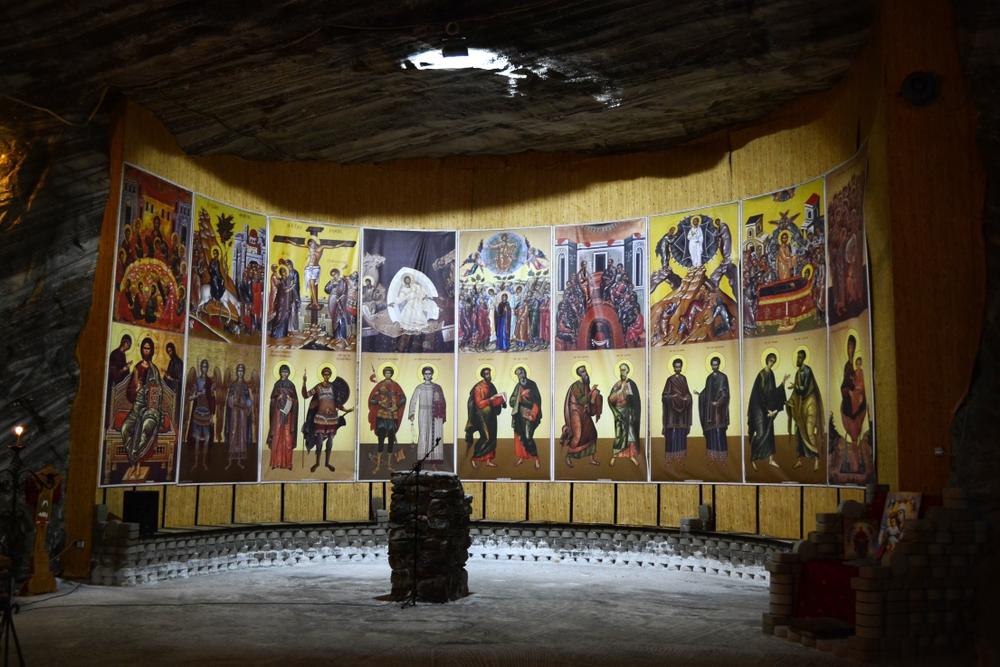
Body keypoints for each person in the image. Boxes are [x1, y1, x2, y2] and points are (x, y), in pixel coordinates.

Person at [119, 337, 165, 479]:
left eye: (148, 349)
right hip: (136, 408)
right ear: (141, 350)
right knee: (125, 429)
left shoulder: (154, 370)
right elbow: (129, 393)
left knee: (144, 427)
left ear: (152, 351)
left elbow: (159, 393)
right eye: (144, 348)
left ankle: (136, 465)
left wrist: (148, 391)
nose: (146, 351)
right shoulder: (137, 368)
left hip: (150, 409)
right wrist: (136, 389)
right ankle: (134, 460)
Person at [301, 367, 352, 473]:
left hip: (332, 418)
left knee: (330, 441)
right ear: (322, 375)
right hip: (320, 417)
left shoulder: (333, 387)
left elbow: (337, 403)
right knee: (319, 441)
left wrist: (346, 410)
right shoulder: (318, 387)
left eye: (328, 374)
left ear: (330, 375)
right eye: (325, 374)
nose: (326, 376)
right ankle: (317, 463)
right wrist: (304, 382)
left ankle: (327, 463)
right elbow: (305, 395)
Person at [748, 352, 789, 471]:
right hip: (759, 409)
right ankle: (753, 458)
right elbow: (759, 395)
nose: (772, 363)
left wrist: (783, 382)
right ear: (767, 360)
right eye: (771, 361)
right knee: (760, 434)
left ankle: (771, 459)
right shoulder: (761, 375)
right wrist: (767, 410)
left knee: (770, 434)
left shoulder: (771, 374)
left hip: (769, 408)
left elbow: (773, 393)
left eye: (774, 362)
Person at [786, 349, 823, 471]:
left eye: (800, 357)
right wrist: (790, 401)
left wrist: (796, 387)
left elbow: (804, 388)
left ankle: (817, 459)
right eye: (797, 357)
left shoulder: (807, 370)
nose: (798, 359)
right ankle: (799, 460)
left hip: (810, 403)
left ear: (803, 358)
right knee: (798, 430)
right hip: (801, 404)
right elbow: (796, 393)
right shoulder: (797, 373)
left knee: (809, 430)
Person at [559, 365, 602, 467]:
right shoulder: (575, 386)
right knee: (578, 436)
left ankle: (592, 459)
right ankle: (568, 456)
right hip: (576, 412)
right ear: (579, 374)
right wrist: (592, 392)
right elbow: (581, 400)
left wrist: (594, 395)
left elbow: (588, 400)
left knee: (592, 433)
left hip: (584, 411)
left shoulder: (586, 384)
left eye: (585, 371)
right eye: (582, 372)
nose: (585, 373)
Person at [367, 366, 407, 473]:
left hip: (392, 416)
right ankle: (378, 466)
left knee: (391, 441)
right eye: (386, 373)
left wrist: (396, 407)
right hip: (381, 416)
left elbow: (403, 398)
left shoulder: (396, 385)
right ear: (384, 374)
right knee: (380, 440)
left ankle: (389, 465)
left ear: (391, 374)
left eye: (389, 373)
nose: (387, 374)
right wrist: (379, 402)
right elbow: (372, 400)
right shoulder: (380, 385)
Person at [465, 367, 507, 468]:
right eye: (487, 374)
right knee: (486, 438)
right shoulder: (478, 387)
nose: (489, 376)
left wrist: (502, 402)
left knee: (492, 438)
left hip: (491, 415)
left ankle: (488, 460)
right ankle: (474, 458)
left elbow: (495, 398)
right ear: (483, 375)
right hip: (482, 417)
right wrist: (491, 399)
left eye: (489, 373)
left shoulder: (491, 385)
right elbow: (479, 404)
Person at [408, 366, 447, 466]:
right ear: (423, 375)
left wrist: (440, 409)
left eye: (429, 374)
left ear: (432, 374)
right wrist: (412, 413)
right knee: (423, 434)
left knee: (436, 435)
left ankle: (435, 459)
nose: (428, 375)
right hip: (423, 413)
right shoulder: (419, 387)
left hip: (436, 413)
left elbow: (443, 402)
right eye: (426, 374)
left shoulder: (437, 387)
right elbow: (413, 401)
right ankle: (422, 458)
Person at [696, 356, 730, 466]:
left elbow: (725, 394)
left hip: (719, 412)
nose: (714, 366)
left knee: (719, 432)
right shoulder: (709, 378)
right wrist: (700, 395)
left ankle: (722, 458)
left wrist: (718, 402)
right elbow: (707, 392)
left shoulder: (723, 377)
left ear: (719, 365)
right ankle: (712, 457)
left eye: (716, 364)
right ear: (711, 365)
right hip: (710, 412)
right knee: (711, 433)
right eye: (713, 364)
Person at [265, 365, 298, 470]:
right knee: (277, 436)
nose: (284, 374)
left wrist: (292, 400)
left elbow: (296, 400)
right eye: (283, 372)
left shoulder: (291, 385)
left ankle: (288, 463)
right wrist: (277, 399)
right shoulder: (277, 384)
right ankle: (275, 463)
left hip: (288, 414)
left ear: (289, 373)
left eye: (286, 372)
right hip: (278, 413)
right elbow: (272, 399)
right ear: (280, 372)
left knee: (288, 438)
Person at [608, 363, 641, 467]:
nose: (622, 372)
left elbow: (634, 400)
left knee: (630, 435)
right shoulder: (617, 385)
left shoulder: (631, 384)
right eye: (621, 370)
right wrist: (620, 391)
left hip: (628, 412)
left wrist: (632, 412)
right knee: (619, 434)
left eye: (624, 370)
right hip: (619, 413)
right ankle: (615, 455)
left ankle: (631, 455)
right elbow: (610, 399)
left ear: (627, 371)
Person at [224, 363, 255, 471]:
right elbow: (229, 400)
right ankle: (230, 461)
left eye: (242, 371)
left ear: (244, 372)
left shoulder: (246, 386)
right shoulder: (233, 385)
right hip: (234, 413)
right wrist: (232, 400)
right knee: (233, 433)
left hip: (242, 414)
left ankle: (239, 461)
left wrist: (248, 404)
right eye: (238, 371)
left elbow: (249, 400)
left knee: (241, 434)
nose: (240, 373)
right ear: (236, 372)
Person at [185, 359, 215, 471]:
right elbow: (189, 398)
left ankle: (204, 463)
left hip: (207, 414)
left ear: (207, 368)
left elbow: (213, 399)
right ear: (201, 368)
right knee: (197, 439)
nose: (204, 368)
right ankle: (196, 463)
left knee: (207, 439)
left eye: (206, 367)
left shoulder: (210, 382)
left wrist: (212, 415)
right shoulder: (197, 381)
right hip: (198, 413)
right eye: (203, 366)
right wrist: (197, 394)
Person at [509, 366, 542, 469]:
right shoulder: (518, 386)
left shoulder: (532, 384)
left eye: (522, 372)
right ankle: (522, 457)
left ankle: (536, 458)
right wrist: (519, 397)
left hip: (530, 413)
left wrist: (533, 413)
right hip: (519, 414)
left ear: (525, 372)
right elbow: (511, 401)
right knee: (520, 436)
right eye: (519, 374)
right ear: (517, 376)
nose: (521, 375)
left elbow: (537, 400)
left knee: (528, 437)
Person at [662, 359, 692, 465]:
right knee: (671, 434)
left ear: (681, 367)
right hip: (671, 413)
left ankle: (680, 458)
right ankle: (669, 457)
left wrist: (687, 398)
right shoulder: (670, 380)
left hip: (681, 414)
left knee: (681, 434)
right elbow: (664, 396)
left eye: (679, 366)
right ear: (673, 367)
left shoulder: (684, 379)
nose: (677, 368)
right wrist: (673, 397)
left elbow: (688, 394)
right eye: (676, 367)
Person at [106, 334, 132, 422]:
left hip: (120, 386)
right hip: (113, 384)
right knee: (111, 406)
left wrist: (127, 368)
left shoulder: (122, 355)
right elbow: (114, 373)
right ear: (123, 343)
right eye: (127, 344)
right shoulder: (114, 354)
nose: (127, 347)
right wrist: (124, 369)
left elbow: (122, 370)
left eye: (129, 346)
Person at [163, 342, 184, 425]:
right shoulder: (171, 361)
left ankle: (174, 425)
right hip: (170, 390)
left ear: (174, 350)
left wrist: (170, 378)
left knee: (175, 412)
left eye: (170, 351)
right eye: (168, 352)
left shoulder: (178, 362)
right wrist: (166, 376)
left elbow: (180, 380)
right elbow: (170, 374)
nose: (169, 353)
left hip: (176, 391)